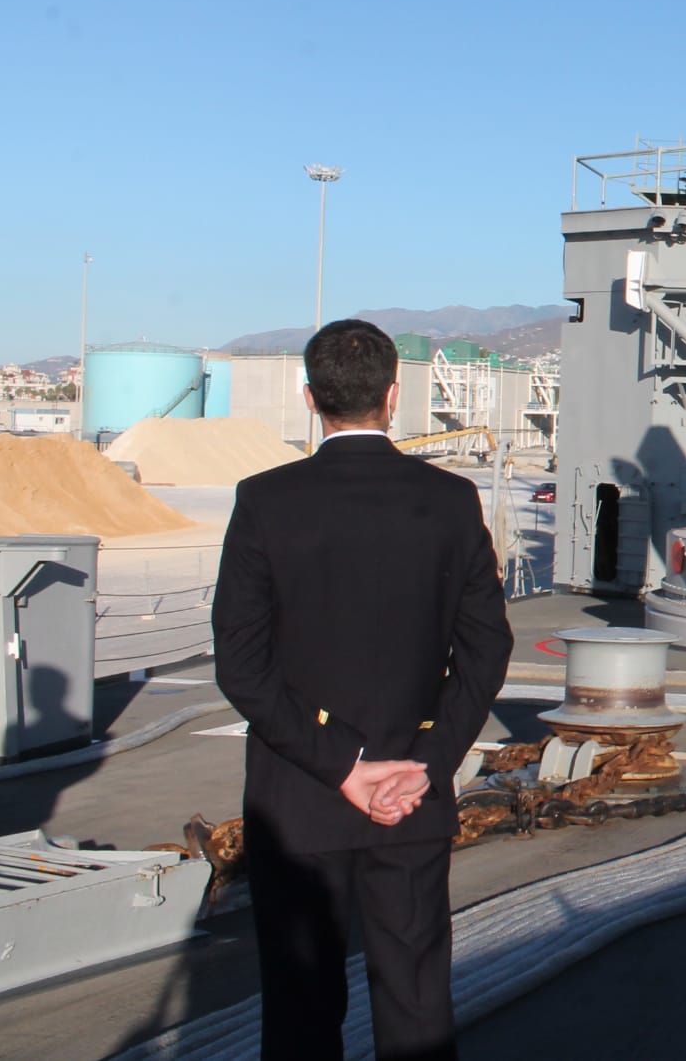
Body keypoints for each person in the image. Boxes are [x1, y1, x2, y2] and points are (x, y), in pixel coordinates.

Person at [214, 319, 512, 1061]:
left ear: (311, 397)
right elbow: (486, 646)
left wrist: (344, 765)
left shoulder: (263, 500)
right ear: (395, 394)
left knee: (301, 1014)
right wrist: (427, 760)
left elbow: (242, 667)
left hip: (301, 798)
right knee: (415, 1001)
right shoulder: (450, 501)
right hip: (412, 797)